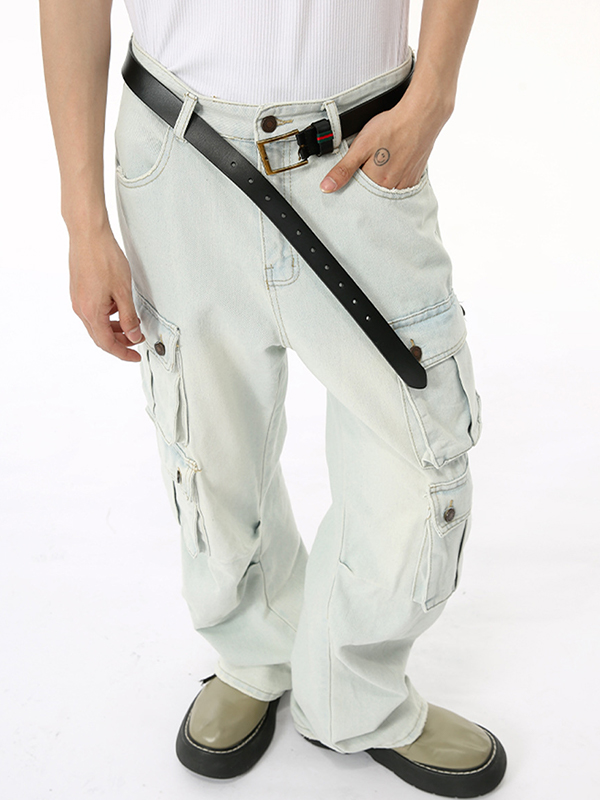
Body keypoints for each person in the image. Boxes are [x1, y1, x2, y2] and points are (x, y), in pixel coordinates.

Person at [39, 0, 507, 795]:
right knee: (208, 448)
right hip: (180, 151)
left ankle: (355, 690)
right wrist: (83, 222)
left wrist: (434, 91)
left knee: (416, 458)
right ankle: (255, 654)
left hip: (362, 148)